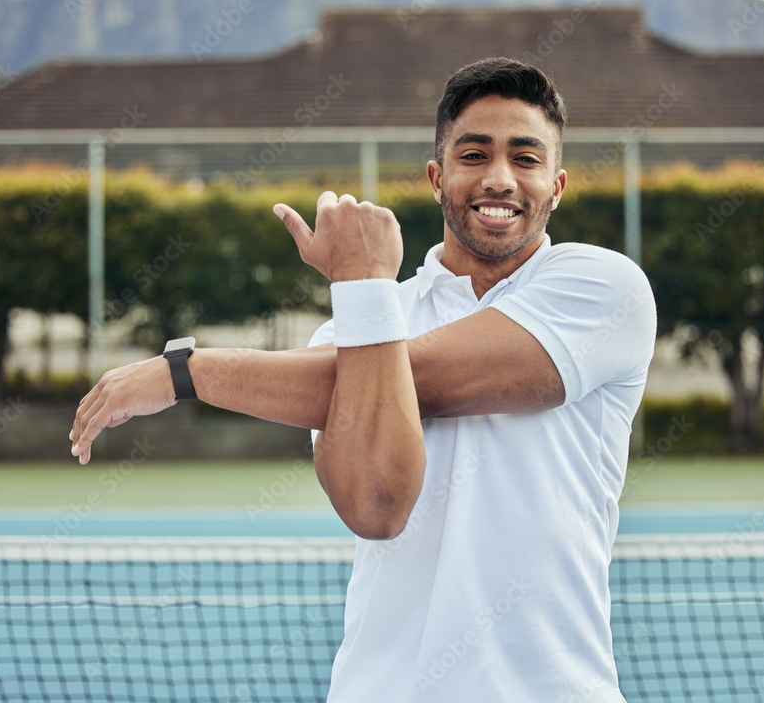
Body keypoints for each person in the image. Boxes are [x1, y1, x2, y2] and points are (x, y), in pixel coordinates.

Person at [70, 56, 656, 702]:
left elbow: (421, 376)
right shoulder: (357, 325)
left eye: (525, 158)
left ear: (558, 184)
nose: (498, 178)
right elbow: (376, 508)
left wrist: (186, 372)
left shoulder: (606, 289)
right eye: (473, 155)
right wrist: (367, 290)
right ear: (437, 178)